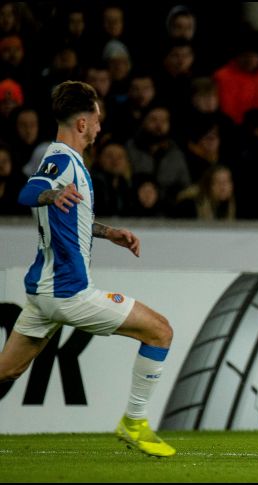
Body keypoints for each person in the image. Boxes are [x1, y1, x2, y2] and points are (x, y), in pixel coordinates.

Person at [0, 81, 176, 457]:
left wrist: (108, 233)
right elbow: (27, 192)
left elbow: (68, 219)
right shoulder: (61, 159)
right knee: (160, 331)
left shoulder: (66, 161)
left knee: (6, 372)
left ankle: (135, 424)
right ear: (82, 123)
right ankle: (135, 422)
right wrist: (50, 193)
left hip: (43, 293)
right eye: (97, 119)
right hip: (68, 293)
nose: (100, 126)